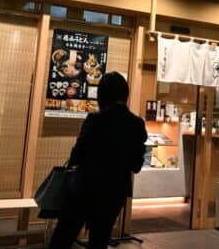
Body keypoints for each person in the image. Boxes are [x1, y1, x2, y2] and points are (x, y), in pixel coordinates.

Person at [49, 72, 147, 249]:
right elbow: (137, 165)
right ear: (125, 94)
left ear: (103, 95)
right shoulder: (137, 124)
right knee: (99, 241)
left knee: (63, 239)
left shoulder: (96, 119)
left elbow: (77, 154)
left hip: (85, 189)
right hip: (115, 193)